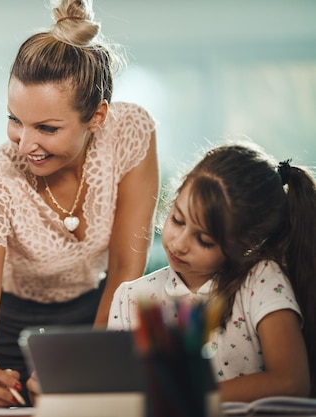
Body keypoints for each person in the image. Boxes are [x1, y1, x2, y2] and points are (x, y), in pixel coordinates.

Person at [0, 0, 159, 407]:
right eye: (15, 120)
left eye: (46, 128)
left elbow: (125, 271)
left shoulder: (130, 132)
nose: (25, 145)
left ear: (97, 117)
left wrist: (89, 362)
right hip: (10, 332)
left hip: (102, 312)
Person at [107, 142, 316, 401]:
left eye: (204, 240)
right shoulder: (130, 298)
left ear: (245, 245)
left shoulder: (261, 281)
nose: (179, 244)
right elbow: (119, 393)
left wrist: (188, 395)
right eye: (177, 220)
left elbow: (292, 382)